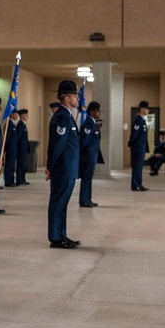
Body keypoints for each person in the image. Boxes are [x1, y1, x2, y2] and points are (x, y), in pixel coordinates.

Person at [45, 80, 81, 248]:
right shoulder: (61, 117)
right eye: (75, 95)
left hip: (68, 168)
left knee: (62, 204)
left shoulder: (66, 116)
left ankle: (61, 234)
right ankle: (56, 237)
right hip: (63, 168)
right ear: (67, 97)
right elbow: (56, 145)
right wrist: (50, 166)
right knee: (58, 202)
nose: (77, 98)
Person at [78, 101, 103, 207]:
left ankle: (87, 198)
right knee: (86, 178)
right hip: (88, 156)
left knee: (89, 178)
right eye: (97, 111)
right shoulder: (88, 124)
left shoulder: (93, 124)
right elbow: (84, 141)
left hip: (92, 155)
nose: (99, 113)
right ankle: (84, 200)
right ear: (91, 112)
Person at [129, 100, 150, 191]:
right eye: (146, 109)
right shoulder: (138, 121)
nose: (148, 111)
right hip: (137, 147)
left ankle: (139, 184)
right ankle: (135, 185)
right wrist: (132, 145)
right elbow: (134, 135)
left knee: (139, 167)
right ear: (141, 109)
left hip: (141, 147)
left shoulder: (142, 120)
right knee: (137, 167)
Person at [3, 111, 19, 187]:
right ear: (11, 114)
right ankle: (8, 181)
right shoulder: (9, 124)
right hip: (10, 149)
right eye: (15, 114)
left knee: (12, 165)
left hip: (13, 148)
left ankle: (11, 179)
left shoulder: (13, 124)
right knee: (9, 165)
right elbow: (7, 137)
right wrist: (5, 148)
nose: (17, 115)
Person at [15, 109, 30, 185]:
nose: (27, 116)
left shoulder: (23, 124)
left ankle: (23, 179)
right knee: (21, 165)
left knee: (23, 164)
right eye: (25, 115)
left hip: (23, 149)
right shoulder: (20, 125)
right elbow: (18, 137)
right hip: (20, 149)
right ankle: (19, 179)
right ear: (21, 116)